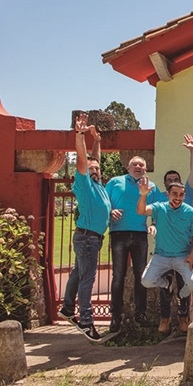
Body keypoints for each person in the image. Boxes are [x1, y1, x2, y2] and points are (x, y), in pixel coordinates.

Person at [58, 114, 110, 342]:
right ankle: (87, 322)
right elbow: (83, 158)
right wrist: (79, 135)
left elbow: (93, 160)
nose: (94, 170)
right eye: (91, 169)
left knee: (78, 274)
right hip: (87, 238)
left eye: (97, 168)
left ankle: (68, 308)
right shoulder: (84, 184)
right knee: (87, 279)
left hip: (91, 238)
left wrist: (97, 143)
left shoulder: (98, 184)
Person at [151, 134, 193, 334]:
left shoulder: (186, 195)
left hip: (184, 249)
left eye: (176, 180)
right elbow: (152, 214)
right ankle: (164, 318)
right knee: (164, 286)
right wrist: (152, 226)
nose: (173, 183)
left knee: (184, 284)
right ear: (165, 187)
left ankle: (183, 318)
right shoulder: (160, 199)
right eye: (169, 181)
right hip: (163, 249)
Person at [106, 153, 157, 333]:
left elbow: (158, 209)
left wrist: (154, 224)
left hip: (140, 233)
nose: (138, 167)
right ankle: (115, 316)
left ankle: (140, 314)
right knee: (118, 275)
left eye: (141, 165)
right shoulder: (114, 182)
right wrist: (111, 210)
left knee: (141, 275)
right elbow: (104, 203)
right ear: (128, 168)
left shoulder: (151, 186)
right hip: (119, 233)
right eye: (134, 164)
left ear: (145, 169)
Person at [136, 176, 193, 312]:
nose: (178, 198)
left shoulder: (191, 212)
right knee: (146, 281)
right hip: (161, 255)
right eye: (174, 194)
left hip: (183, 256)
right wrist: (143, 195)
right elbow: (141, 211)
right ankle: (167, 285)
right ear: (167, 194)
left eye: (181, 195)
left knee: (192, 283)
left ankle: (180, 295)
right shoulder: (159, 208)